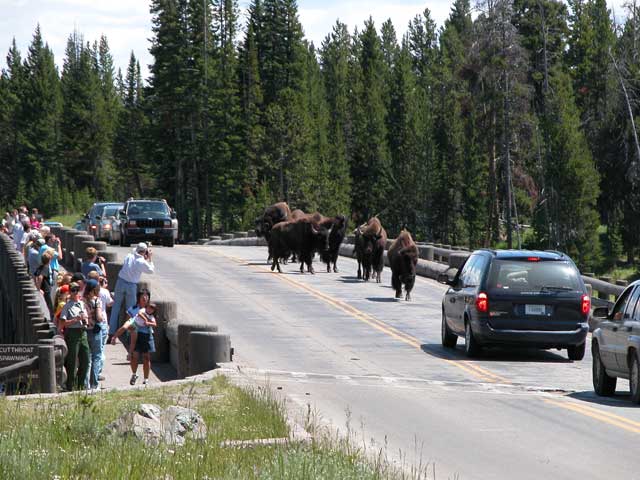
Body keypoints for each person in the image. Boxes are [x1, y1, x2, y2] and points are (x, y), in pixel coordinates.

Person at [108, 242, 154, 341]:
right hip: (131, 285)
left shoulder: (129, 256)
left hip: (120, 282)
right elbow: (150, 270)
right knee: (131, 311)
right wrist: (150, 258)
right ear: (145, 252)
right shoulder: (141, 262)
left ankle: (111, 332)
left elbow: (133, 262)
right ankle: (129, 334)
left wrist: (144, 257)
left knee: (116, 308)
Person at [111, 302, 157, 386]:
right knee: (134, 355)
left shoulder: (152, 317)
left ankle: (146, 379)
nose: (150, 309)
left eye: (152, 309)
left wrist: (148, 323)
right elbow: (139, 314)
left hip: (145, 335)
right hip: (135, 329)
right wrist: (146, 319)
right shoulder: (141, 310)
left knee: (146, 357)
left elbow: (154, 324)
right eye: (149, 307)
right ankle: (134, 373)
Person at [59, 283, 91, 391]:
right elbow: (63, 323)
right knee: (72, 361)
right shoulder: (67, 306)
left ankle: (80, 384)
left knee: (86, 360)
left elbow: (86, 316)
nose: (76, 292)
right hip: (72, 333)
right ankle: (70, 386)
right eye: (73, 290)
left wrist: (85, 320)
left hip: (83, 333)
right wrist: (75, 319)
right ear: (69, 292)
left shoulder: (82, 304)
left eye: (77, 290)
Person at [84, 279, 105, 390]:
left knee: (86, 359)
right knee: (96, 357)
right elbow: (100, 318)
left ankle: (85, 384)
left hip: (84, 331)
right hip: (95, 331)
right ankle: (94, 385)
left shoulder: (82, 300)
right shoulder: (97, 301)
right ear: (94, 290)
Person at [34, 249, 55, 320]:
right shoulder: (45, 268)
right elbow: (40, 277)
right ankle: (52, 318)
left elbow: (35, 275)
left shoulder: (40, 266)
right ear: (49, 260)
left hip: (45, 288)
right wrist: (38, 288)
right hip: (46, 289)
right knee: (50, 305)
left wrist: (37, 286)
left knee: (48, 304)